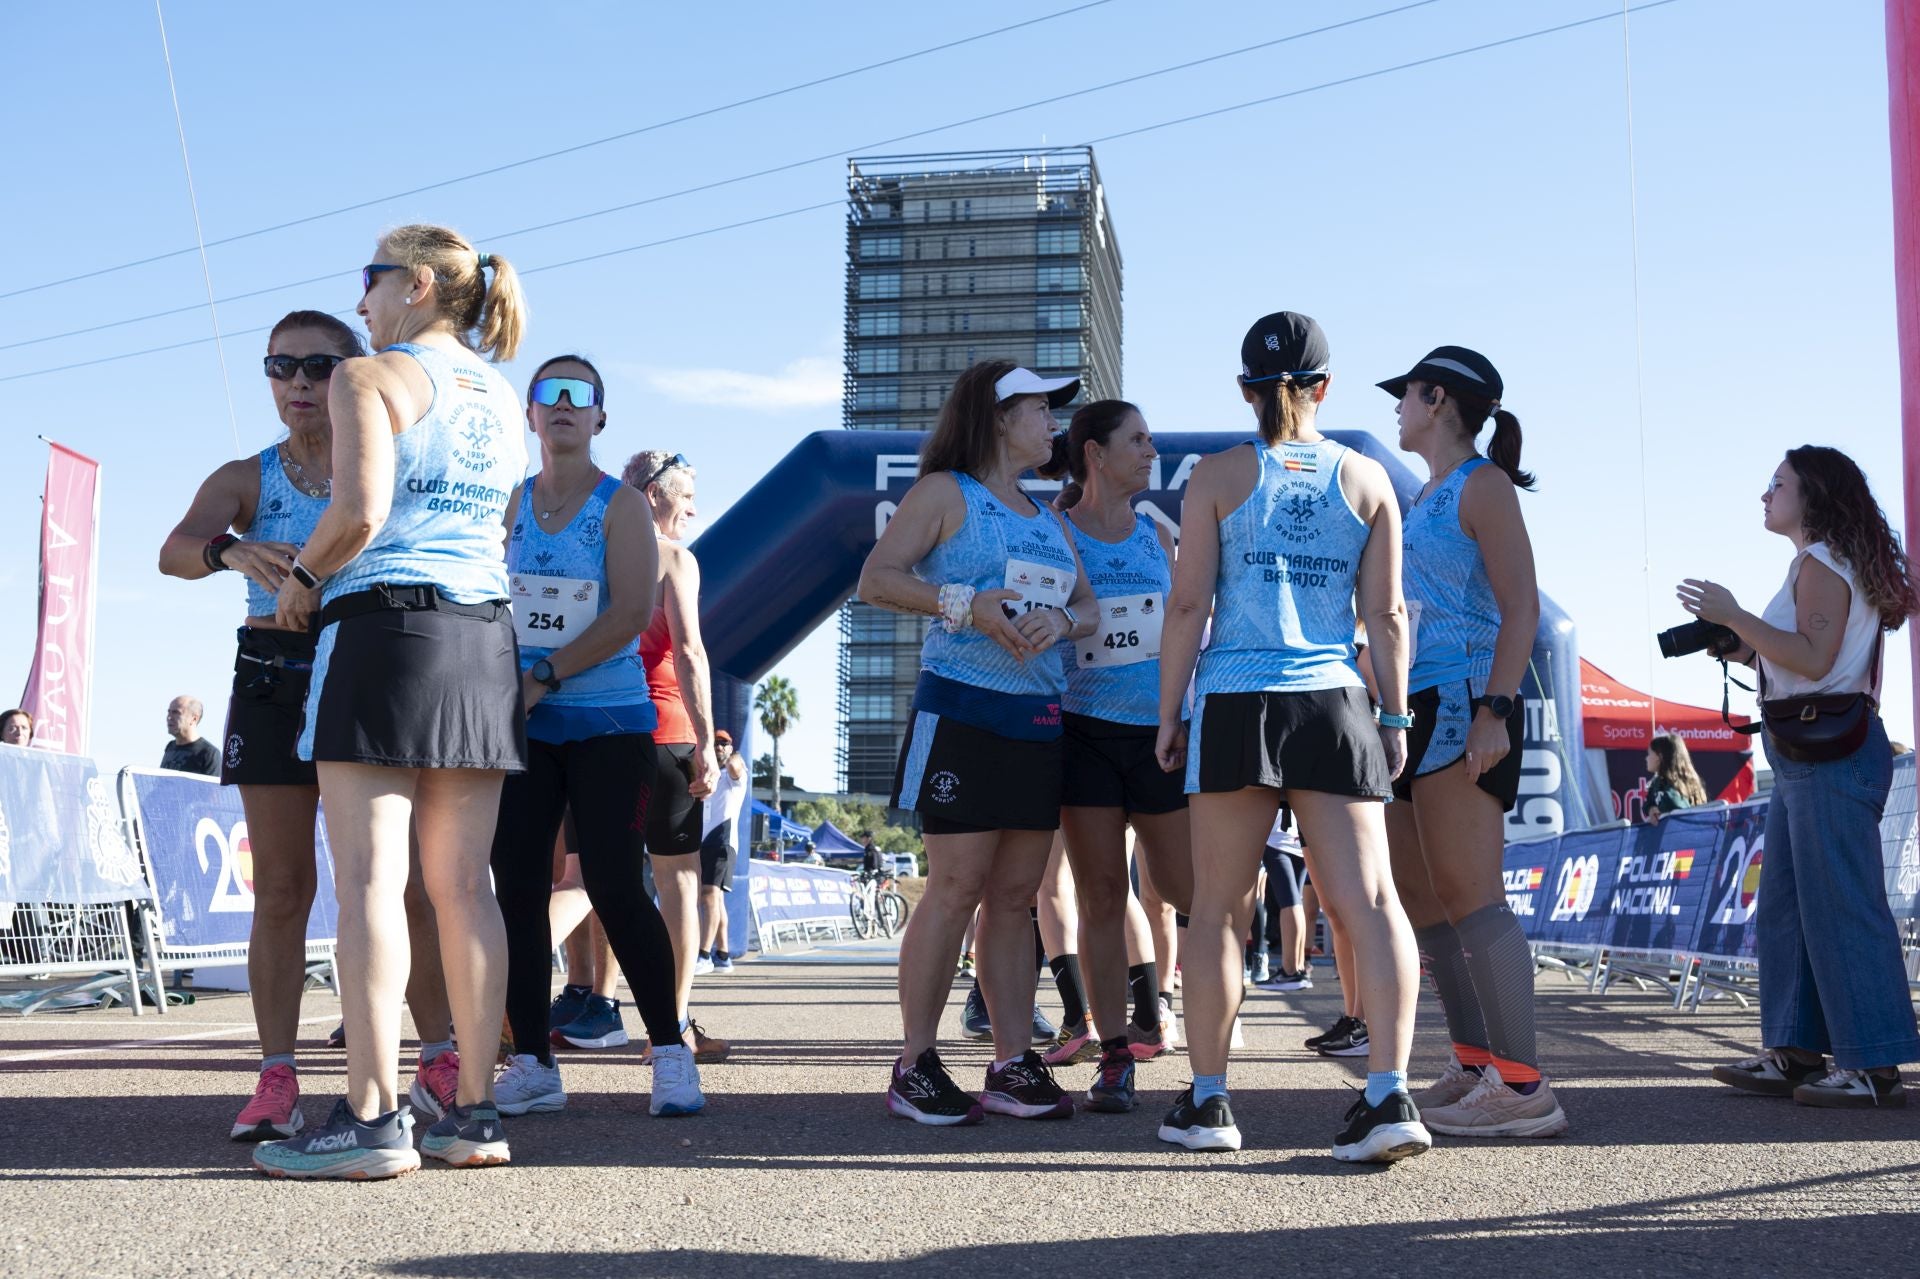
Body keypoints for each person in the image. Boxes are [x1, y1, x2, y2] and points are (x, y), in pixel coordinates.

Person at [252, 225, 529, 1179]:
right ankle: (475, 1112)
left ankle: (371, 1120)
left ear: (413, 285)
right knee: (464, 888)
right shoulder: (500, 390)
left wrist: (301, 578)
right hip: (484, 634)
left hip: (382, 627)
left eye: (369, 282)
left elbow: (360, 511)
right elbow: (498, 522)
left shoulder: (369, 376)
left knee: (371, 883)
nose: (359, 301)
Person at [159, 309, 462, 1145]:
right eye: (280, 366)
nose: (297, 383)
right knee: (284, 889)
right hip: (274, 675)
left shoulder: (387, 456)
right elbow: (173, 550)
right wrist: (227, 551)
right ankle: (277, 1075)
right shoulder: (247, 474)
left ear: (355, 370)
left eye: (318, 365)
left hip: (367, 667)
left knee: (407, 888)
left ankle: (439, 1057)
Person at [1155, 312, 1429, 1162]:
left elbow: (1189, 606)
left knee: (1218, 912)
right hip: (1335, 702)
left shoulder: (1217, 475)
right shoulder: (1366, 477)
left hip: (1237, 698)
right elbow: (1384, 615)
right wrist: (1394, 717)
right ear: (1325, 388)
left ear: (1244, 389)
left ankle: (1209, 1103)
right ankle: (1388, 1093)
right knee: (1372, 902)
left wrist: (1169, 712)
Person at [858, 361, 1097, 1126]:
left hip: (1036, 718)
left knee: (1016, 898)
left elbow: (1087, 606)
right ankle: (914, 1062)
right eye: (1040, 408)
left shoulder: (1047, 516)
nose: (1054, 420)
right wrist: (962, 601)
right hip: (959, 712)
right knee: (955, 886)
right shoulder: (943, 492)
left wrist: (1061, 622)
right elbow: (877, 577)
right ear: (997, 416)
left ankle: (1009, 1061)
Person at [487, 354, 701, 1121]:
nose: (566, 404)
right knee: (516, 890)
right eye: (551, 392)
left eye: (583, 395)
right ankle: (534, 1061)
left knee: (613, 884)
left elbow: (629, 612)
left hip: (610, 723)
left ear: (601, 418)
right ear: (531, 415)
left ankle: (671, 1048)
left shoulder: (620, 507)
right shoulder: (512, 502)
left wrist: (544, 672)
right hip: (525, 728)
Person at [1682, 445, 1919, 1108]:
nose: (1765, 494)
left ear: (1811, 494)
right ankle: (1793, 1051)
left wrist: (1735, 617)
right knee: (1789, 905)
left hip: (1829, 748)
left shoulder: (1818, 563)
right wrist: (1743, 640)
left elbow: (1814, 658)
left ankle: (1870, 1065)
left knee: (1838, 904)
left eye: (1777, 483)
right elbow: (1812, 654)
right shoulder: (1822, 563)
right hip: (1808, 747)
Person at [1376, 345, 1568, 1139]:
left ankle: (1523, 1086)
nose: (1398, 406)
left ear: (1441, 400)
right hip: (1411, 705)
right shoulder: (1423, 493)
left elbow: (1522, 607)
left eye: (1407, 394)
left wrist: (1496, 707)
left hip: (1465, 702)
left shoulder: (1484, 486)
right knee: (1425, 899)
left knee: (1471, 892)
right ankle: (1475, 1060)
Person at [1033, 399, 1194, 1112]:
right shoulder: (1057, 532)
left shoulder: (1157, 534)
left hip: (1159, 735)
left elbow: (1185, 629)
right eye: (1138, 440)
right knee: (1100, 894)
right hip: (1084, 731)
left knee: (1187, 890)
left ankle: (1197, 1019)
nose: (1151, 450)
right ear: (1094, 453)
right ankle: (1116, 1053)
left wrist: (1182, 714)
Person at [624, 448, 729, 1063]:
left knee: (583, 880)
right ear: (653, 495)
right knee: (679, 883)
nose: (693, 505)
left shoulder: (598, 554)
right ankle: (672, 1025)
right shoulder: (672, 558)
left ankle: (512, 998)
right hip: (665, 732)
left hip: (595, 728)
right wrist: (707, 743)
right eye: (685, 494)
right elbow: (689, 651)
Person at [695, 729, 748, 975]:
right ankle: (723, 955)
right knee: (714, 900)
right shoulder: (707, 776)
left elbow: (736, 765)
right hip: (701, 842)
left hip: (722, 841)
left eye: (723, 743)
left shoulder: (733, 775)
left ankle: (703, 954)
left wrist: (729, 754)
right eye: (715, 743)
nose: (718, 746)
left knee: (708, 894)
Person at [1643, 733, 1708, 823]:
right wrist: (1651, 808)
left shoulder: (1668, 785)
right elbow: (1647, 803)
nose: (1646, 758)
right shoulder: (1658, 782)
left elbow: (1680, 811)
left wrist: (1662, 812)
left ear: (1659, 757)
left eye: (1649, 754)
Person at [160, 697, 220, 775]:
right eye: (169, 712)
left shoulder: (208, 753)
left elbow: (212, 787)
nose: (169, 717)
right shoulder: (170, 747)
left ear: (194, 719)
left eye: (176, 712)